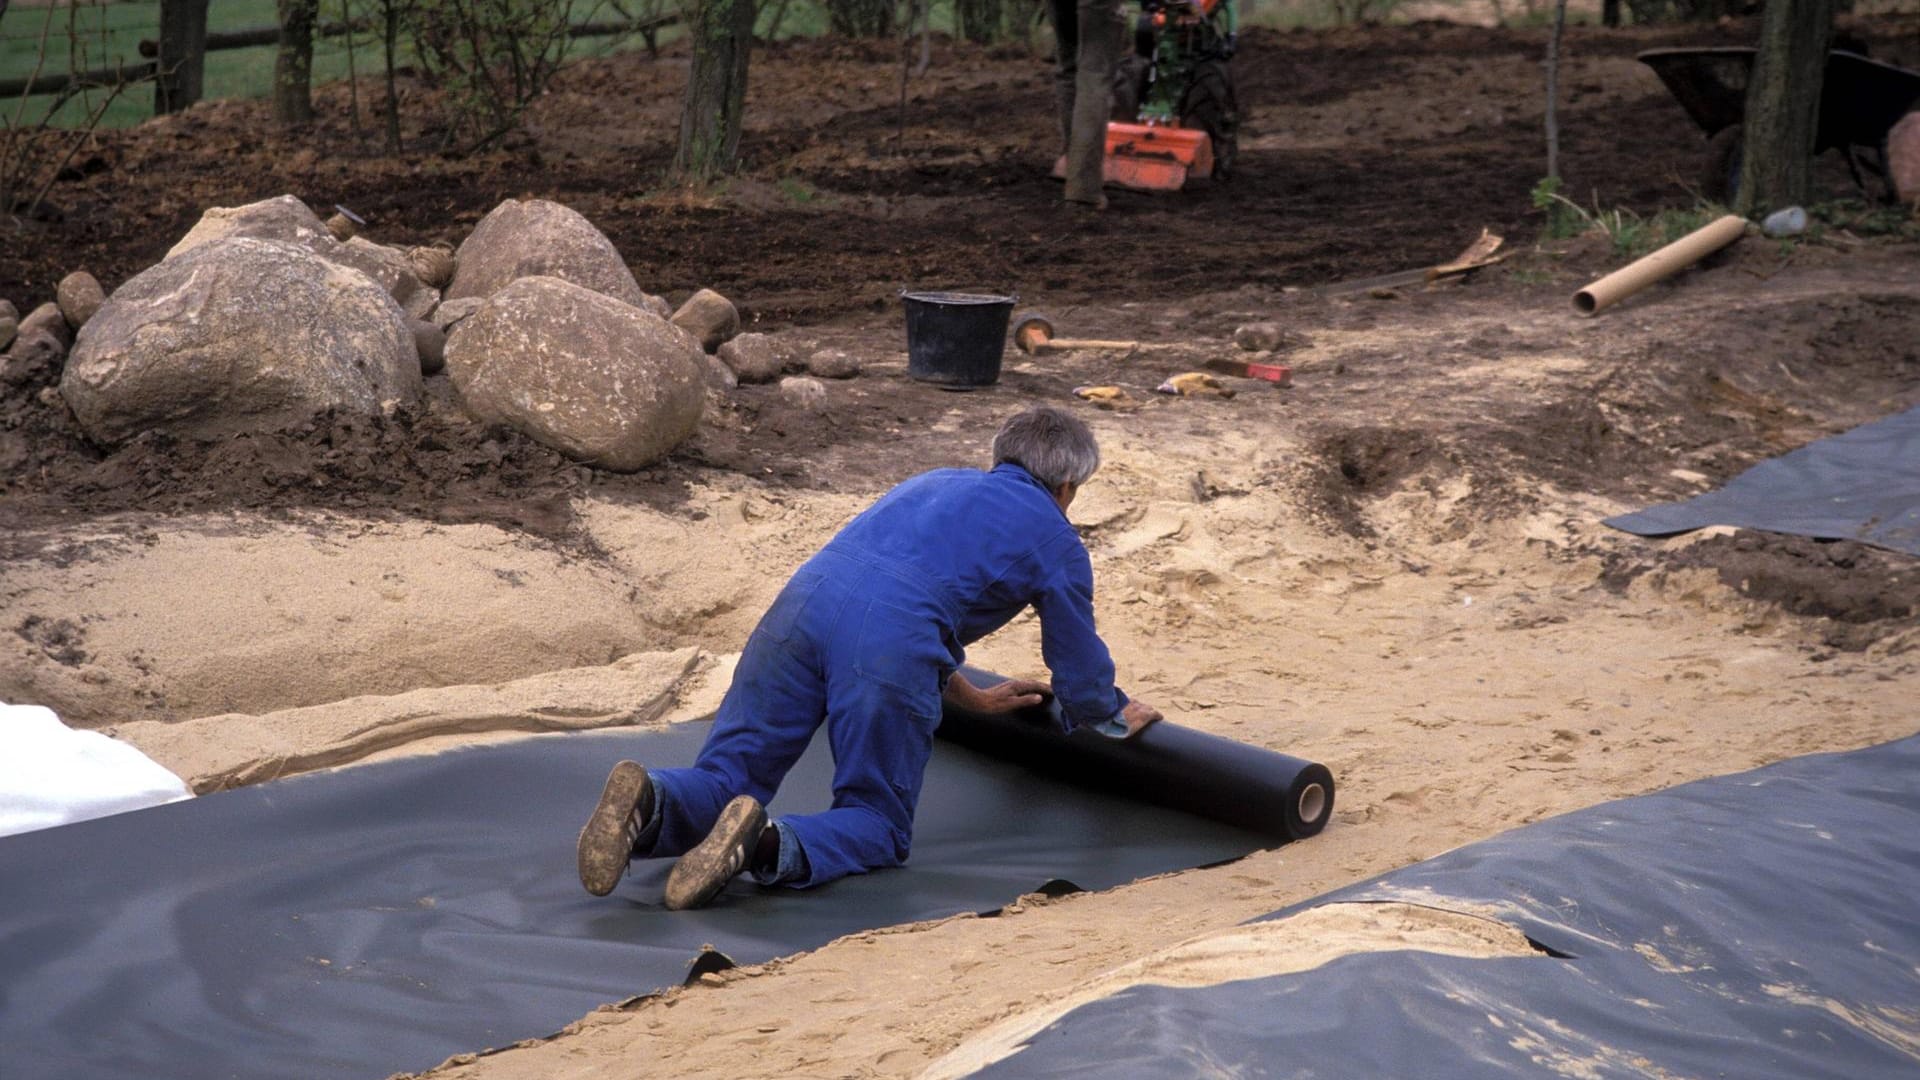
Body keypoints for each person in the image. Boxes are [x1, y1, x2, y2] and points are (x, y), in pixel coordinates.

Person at [576, 406, 1162, 910]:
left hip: (798, 612)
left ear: (1000, 457)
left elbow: (882, 586)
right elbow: (1076, 662)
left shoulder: (930, 484)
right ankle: (761, 845)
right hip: (887, 644)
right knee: (876, 820)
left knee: (726, 776)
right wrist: (1110, 714)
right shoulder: (1056, 538)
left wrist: (971, 696)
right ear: (1068, 488)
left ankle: (652, 799)